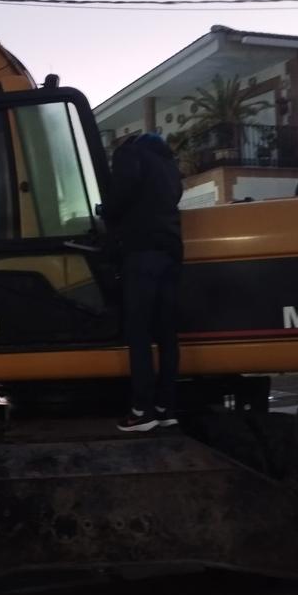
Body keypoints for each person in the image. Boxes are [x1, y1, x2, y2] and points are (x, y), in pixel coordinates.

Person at [103, 132, 184, 432]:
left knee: (138, 333)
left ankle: (142, 410)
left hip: (142, 252)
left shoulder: (129, 155)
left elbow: (119, 197)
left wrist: (105, 210)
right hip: (171, 251)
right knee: (166, 334)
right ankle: (166, 407)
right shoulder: (168, 164)